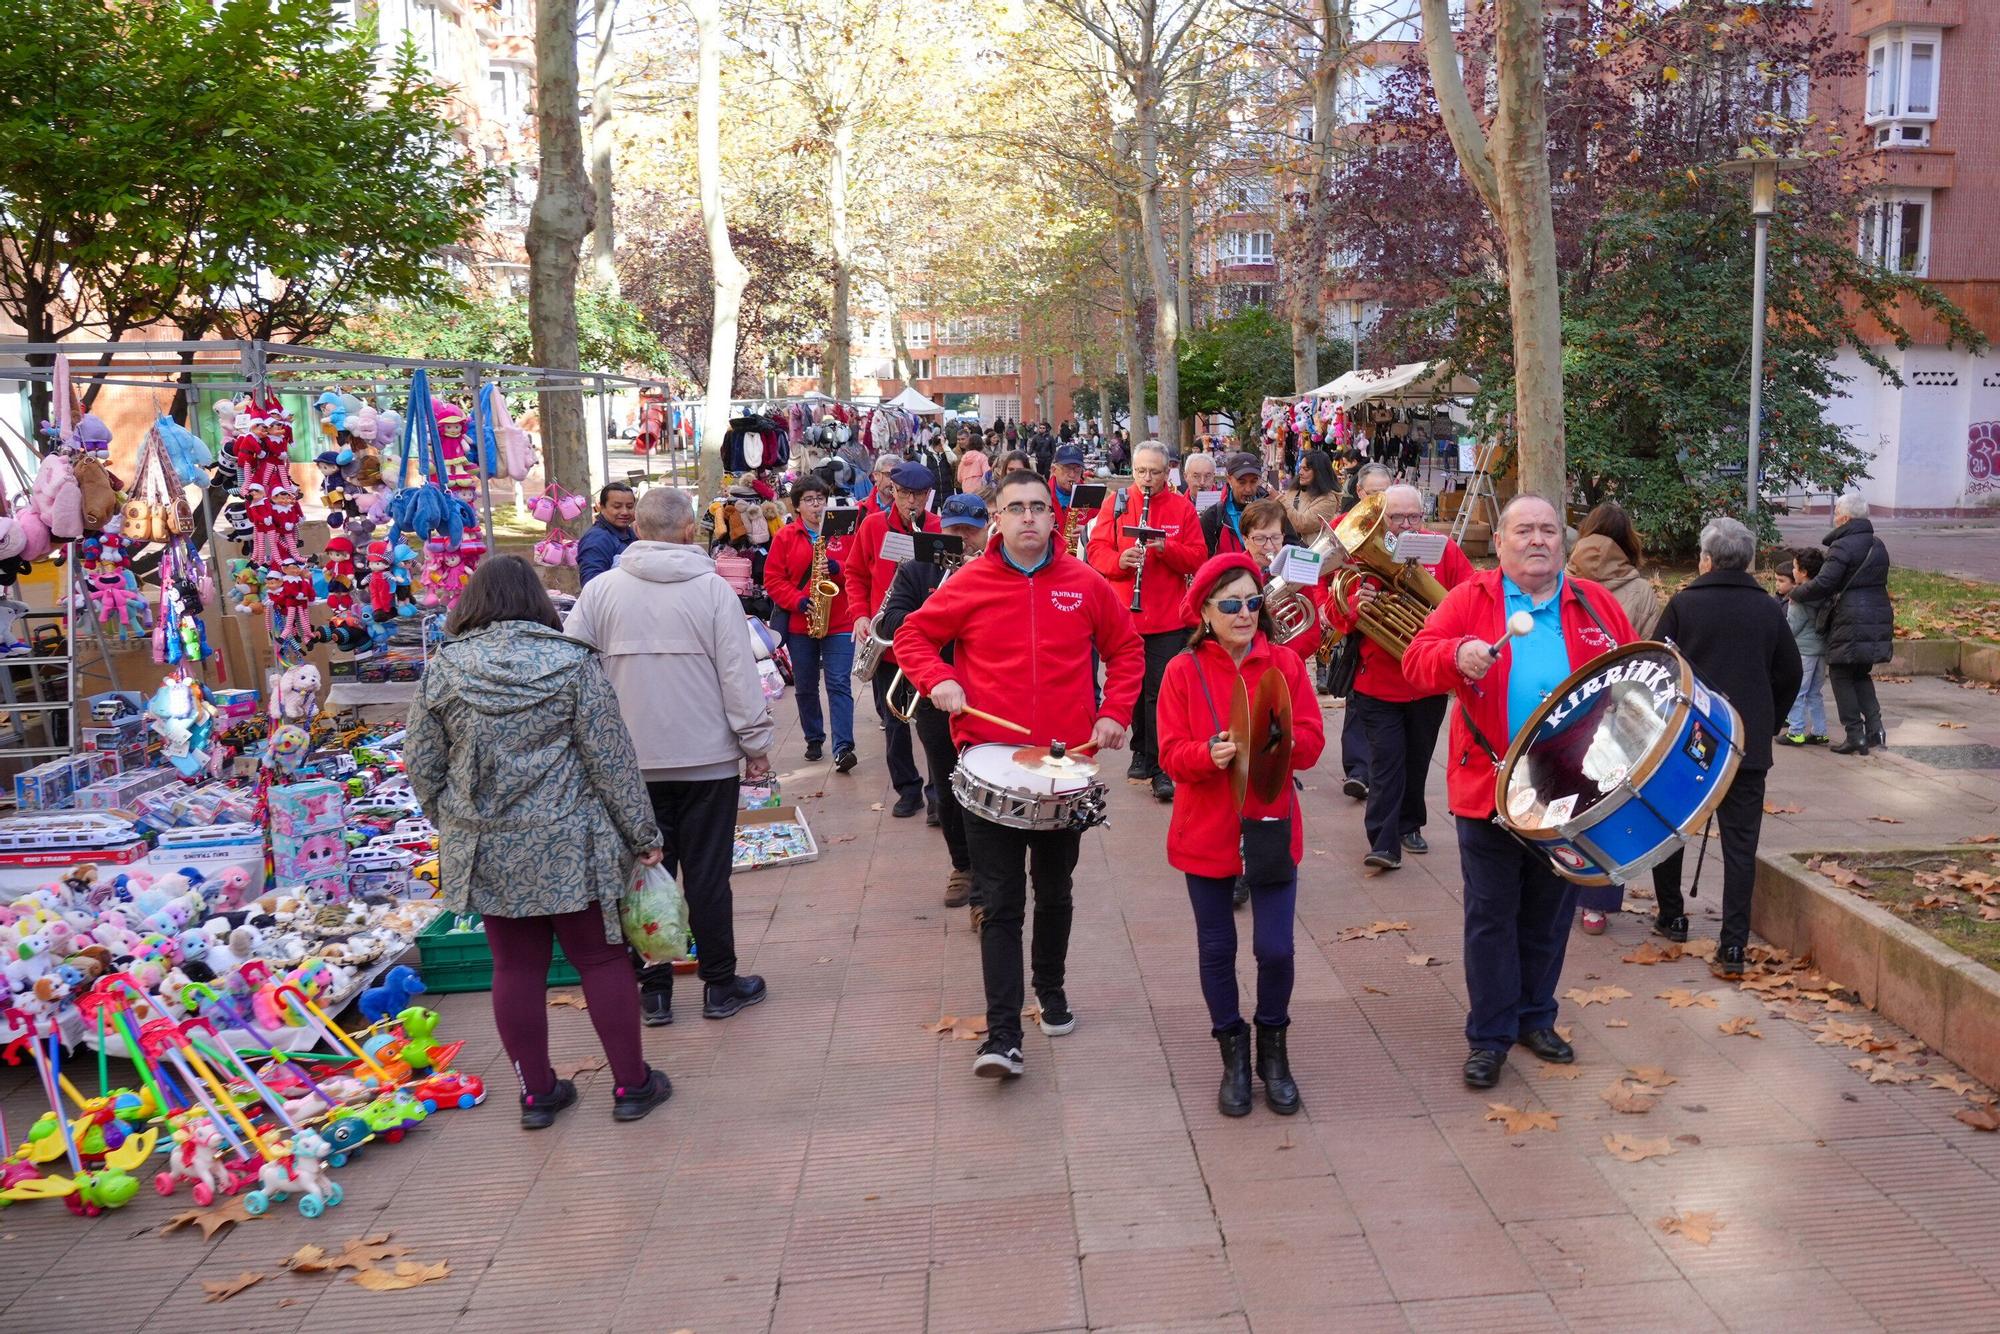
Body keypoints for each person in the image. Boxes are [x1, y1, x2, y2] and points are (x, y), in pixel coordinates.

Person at [406, 555, 672, 1127]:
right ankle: (631, 1085)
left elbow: (422, 764)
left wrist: (450, 819)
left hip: (486, 845)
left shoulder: (444, 669)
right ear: (538, 601)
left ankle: (538, 1094)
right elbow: (611, 760)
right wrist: (642, 835)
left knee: (515, 968)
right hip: (575, 842)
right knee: (600, 961)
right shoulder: (573, 664)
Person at [896, 470, 1143, 1079]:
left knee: (1055, 893)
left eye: (1038, 507)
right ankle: (1003, 1035)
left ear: (1054, 517)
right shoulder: (970, 582)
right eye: (1015, 509)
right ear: (996, 519)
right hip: (988, 769)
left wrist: (1114, 712)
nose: (1028, 517)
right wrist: (940, 679)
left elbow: (1128, 650)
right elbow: (913, 635)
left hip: (1065, 768)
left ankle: (1051, 990)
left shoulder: (1084, 584)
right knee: (1001, 903)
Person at [1403, 494, 1637, 1089]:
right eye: (1524, 531)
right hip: (1488, 785)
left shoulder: (1595, 603)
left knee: (1548, 914)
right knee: (1490, 916)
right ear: (1500, 542)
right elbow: (1416, 661)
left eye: (1549, 531)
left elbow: (1637, 679)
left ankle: (1536, 1017)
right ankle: (1489, 1036)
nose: (1538, 540)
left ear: (1563, 541)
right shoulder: (1469, 600)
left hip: (1570, 793)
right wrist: (1457, 654)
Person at [564, 488, 774, 1028]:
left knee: (642, 876)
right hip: (706, 760)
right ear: (688, 531)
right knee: (708, 875)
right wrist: (755, 745)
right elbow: (738, 675)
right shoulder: (713, 592)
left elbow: (574, 671)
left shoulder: (601, 592)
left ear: (637, 530)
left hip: (627, 765)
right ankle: (719, 985)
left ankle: (654, 990)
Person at [1157, 553, 1325, 1116]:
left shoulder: (1286, 664)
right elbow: (1170, 755)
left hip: (1271, 826)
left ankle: (1273, 1050)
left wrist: (1278, 744)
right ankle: (1233, 1052)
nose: (1245, 613)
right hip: (1205, 829)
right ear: (1204, 611)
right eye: (1230, 604)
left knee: (1275, 948)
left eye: (1253, 602)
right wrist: (1209, 753)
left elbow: (1313, 740)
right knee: (1217, 947)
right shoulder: (1182, 670)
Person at [1648, 517, 1802, 980]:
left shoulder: (1683, 605)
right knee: (1740, 845)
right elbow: (1790, 674)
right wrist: (1765, 721)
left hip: (1689, 742)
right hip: (1746, 741)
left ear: (1707, 559)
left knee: (1672, 827)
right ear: (1748, 561)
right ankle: (1733, 945)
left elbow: (1659, 666)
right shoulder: (1768, 610)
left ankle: (1672, 915)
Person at [1323, 483, 1474, 872]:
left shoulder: (1445, 551)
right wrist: (1356, 606)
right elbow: (1334, 612)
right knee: (1386, 762)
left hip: (1428, 682)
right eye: (1396, 518)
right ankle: (1383, 841)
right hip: (1377, 682)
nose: (1406, 525)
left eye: (1414, 517)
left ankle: (1410, 824)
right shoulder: (1359, 560)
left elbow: (1470, 598)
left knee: (1418, 758)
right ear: (1380, 519)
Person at [876, 494, 992, 906]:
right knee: (947, 785)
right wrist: (936, 610)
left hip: (989, 693)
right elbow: (888, 621)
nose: (961, 540)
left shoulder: (998, 570)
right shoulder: (917, 568)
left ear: (985, 531)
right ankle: (963, 865)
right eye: (953, 531)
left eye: (969, 532)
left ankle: (990, 877)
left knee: (990, 785)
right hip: (934, 693)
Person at [1087, 443, 1207, 802]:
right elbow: (1095, 550)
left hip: (1167, 617)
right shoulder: (1118, 501)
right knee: (1135, 690)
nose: (1147, 479)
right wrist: (1120, 561)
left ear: (1168, 472)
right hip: (1125, 615)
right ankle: (1140, 749)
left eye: (1155, 472)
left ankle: (1160, 766)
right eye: (1141, 472)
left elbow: (1198, 557)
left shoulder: (1182, 507)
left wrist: (1164, 549)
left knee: (1160, 692)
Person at [849, 461, 942, 817]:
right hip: (885, 643)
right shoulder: (873, 525)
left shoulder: (937, 529)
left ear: (927, 495)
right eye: (904, 494)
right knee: (893, 722)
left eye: (918, 494)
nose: (911, 501)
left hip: (926, 642)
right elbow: (856, 573)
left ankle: (937, 796)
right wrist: (859, 613)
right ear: (894, 493)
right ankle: (907, 789)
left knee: (932, 725)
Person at [765, 477, 859, 771]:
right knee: (805, 686)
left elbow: (857, 572)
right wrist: (797, 601)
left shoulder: (842, 534)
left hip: (840, 620)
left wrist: (838, 568)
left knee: (839, 684)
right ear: (797, 505)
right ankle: (814, 738)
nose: (816, 504)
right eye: (808, 499)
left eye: (820, 498)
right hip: (801, 623)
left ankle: (843, 747)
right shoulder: (785, 536)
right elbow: (773, 579)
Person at [1789, 492, 1893, 755]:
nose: (1834, 517)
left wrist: (1795, 593)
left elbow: (1825, 583)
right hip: (1877, 614)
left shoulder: (1842, 546)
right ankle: (1876, 730)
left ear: (1845, 518)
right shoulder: (1877, 544)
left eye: (1836, 512)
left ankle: (1854, 734)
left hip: (1851, 618)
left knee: (1840, 673)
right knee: (1861, 673)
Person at [1335, 463, 1394, 801]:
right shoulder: (1345, 526)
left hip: (1392, 613)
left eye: (1384, 493)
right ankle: (1358, 769)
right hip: (1357, 616)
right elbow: (1324, 573)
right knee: (1357, 694)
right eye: (1373, 494)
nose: (1379, 500)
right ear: (1360, 494)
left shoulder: (1401, 523)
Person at [1566, 502, 1660, 637]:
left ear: (1584, 532)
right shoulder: (1642, 591)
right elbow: (1648, 650)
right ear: (1629, 541)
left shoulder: (1557, 585)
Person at [1778, 547, 1831, 746]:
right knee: (1815, 692)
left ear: (1804, 572)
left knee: (1797, 692)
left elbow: (1792, 628)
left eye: (1794, 567)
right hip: (1820, 650)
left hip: (1804, 652)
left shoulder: (1798, 597)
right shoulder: (1823, 592)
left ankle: (1796, 731)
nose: (1792, 571)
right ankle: (1819, 731)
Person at [1200, 454, 1272, 555]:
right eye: (1242, 482)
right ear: (1229, 480)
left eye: (1253, 482)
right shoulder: (1213, 516)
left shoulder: (1273, 511)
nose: (1248, 489)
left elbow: (1290, 546)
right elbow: (1207, 561)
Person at [576, 482, 637, 587]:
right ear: (602, 507)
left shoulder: (631, 532)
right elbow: (591, 585)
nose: (625, 512)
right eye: (617, 506)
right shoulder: (597, 539)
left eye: (630, 506)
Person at [1282, 450, 1343, 542]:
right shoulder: (1294, 490)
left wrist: (1279, 499)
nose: (1300, 472)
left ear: (1319, 472)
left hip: (1309, 553)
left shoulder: (1328, 499)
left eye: (1306, 469)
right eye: (1300, 468)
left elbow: (1302, 524)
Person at [1049, 443, 1090, 553]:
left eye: (1077, 470)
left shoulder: (1091, 495)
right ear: (1054, 470)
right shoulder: (1040, 495)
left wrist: (1088, 532)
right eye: (1067, 469)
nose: (1072, 475)